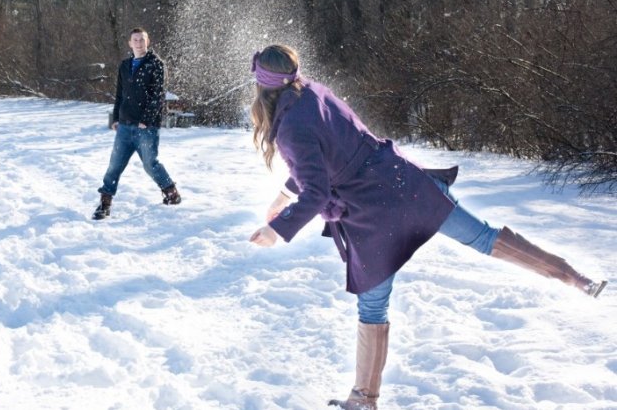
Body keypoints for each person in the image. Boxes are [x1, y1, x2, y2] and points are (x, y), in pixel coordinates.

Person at [246, 44, 607, 410]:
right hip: (405, 183)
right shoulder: (313, 92)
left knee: (372, 309)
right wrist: (281, 198)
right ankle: (574, 277)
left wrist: (278, 230)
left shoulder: (290, 127)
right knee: (484, 237)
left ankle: (363, 399)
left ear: (262, 87)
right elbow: (331, 154)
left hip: (372, 214)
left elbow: (318, 187)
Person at [94, 27, 181, 220]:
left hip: (146, 127)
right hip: (124, 126)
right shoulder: (124, 66)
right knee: (114, 166)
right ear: (130, 43)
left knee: (150, 165)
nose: (139, 43)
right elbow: (119, 94)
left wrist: (146, 120)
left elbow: (158, 95)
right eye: (135, 40)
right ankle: (105, 203)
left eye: (142, 40)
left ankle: (171, 193)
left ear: (147, 42)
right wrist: (116, 118)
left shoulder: (156, 64)